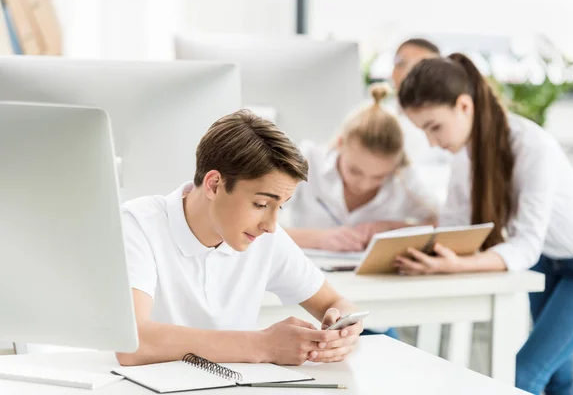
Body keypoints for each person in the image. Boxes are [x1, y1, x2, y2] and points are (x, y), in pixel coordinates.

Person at [397, 53, 573, 395]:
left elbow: (525, 243)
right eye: (423, 131)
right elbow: (455, 225)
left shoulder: (531, 146)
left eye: (434, 127)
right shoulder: (465, 156)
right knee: (558, 378)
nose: (432, 142)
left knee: (523, 375)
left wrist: (459, 264)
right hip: (548, 263)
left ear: (464, 106)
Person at [115, 110, 363, 367]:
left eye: (282, 206)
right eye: (260, 204)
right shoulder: (138, 225)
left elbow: (335, 302)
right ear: (213, 185)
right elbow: (132, 342)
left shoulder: (265, 237)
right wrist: (265, 345)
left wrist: (344, 328)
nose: (270, 225)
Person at [285, 83, 439, 252]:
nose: (364, 184)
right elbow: (255, 224)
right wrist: (319, 239)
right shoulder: (308, 161)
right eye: (355, 171)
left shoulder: (403, 177)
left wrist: (391, 228)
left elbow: (444, 224)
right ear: (340, 144)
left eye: (379, 177)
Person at [391, 38, 444, 165]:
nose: (414, 74)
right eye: (402, 63)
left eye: (422, 67)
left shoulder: (446, 123)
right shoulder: (377, 116)